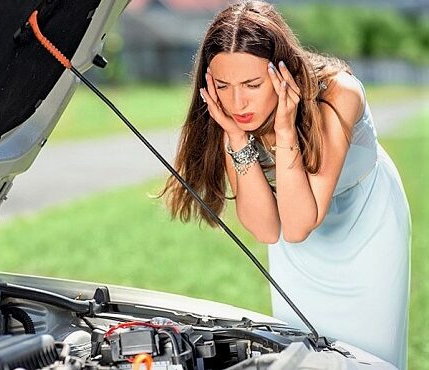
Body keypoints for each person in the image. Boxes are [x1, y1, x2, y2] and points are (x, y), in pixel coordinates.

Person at [161, 1, 411, 368]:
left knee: (369, 356)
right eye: (224, 86)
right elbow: (269, 228)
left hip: (366, 227)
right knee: (300, 352)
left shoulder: (338, 94)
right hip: (298, 232)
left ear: (282, 72)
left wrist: (283, 128)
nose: (237, 101)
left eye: (252, 84)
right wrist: (235, 137)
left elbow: (298, 226)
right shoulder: (230, 116)